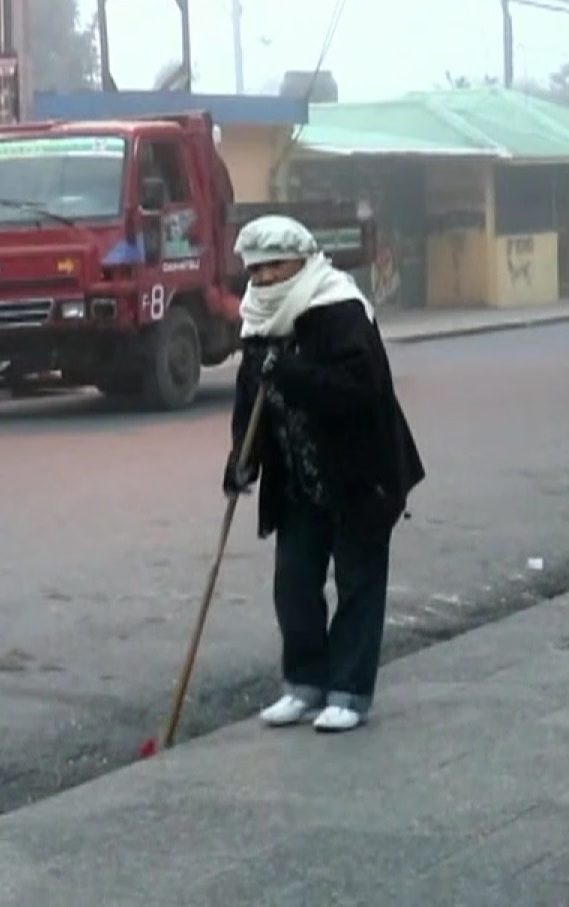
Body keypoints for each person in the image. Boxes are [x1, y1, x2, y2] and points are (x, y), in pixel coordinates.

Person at [222, 215, 425, 734]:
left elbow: (361, 389)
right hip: (297, 481)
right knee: (294, 586)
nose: (265, 279)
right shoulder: (258, 321)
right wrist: (241, 460)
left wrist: (292, 375)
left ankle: (349, 692)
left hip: (359, 474)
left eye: (275, 267)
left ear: (304, 261)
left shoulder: (340, 310)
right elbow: (251, 402)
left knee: (358, 582)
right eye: (256, 270)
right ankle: (304, 685)